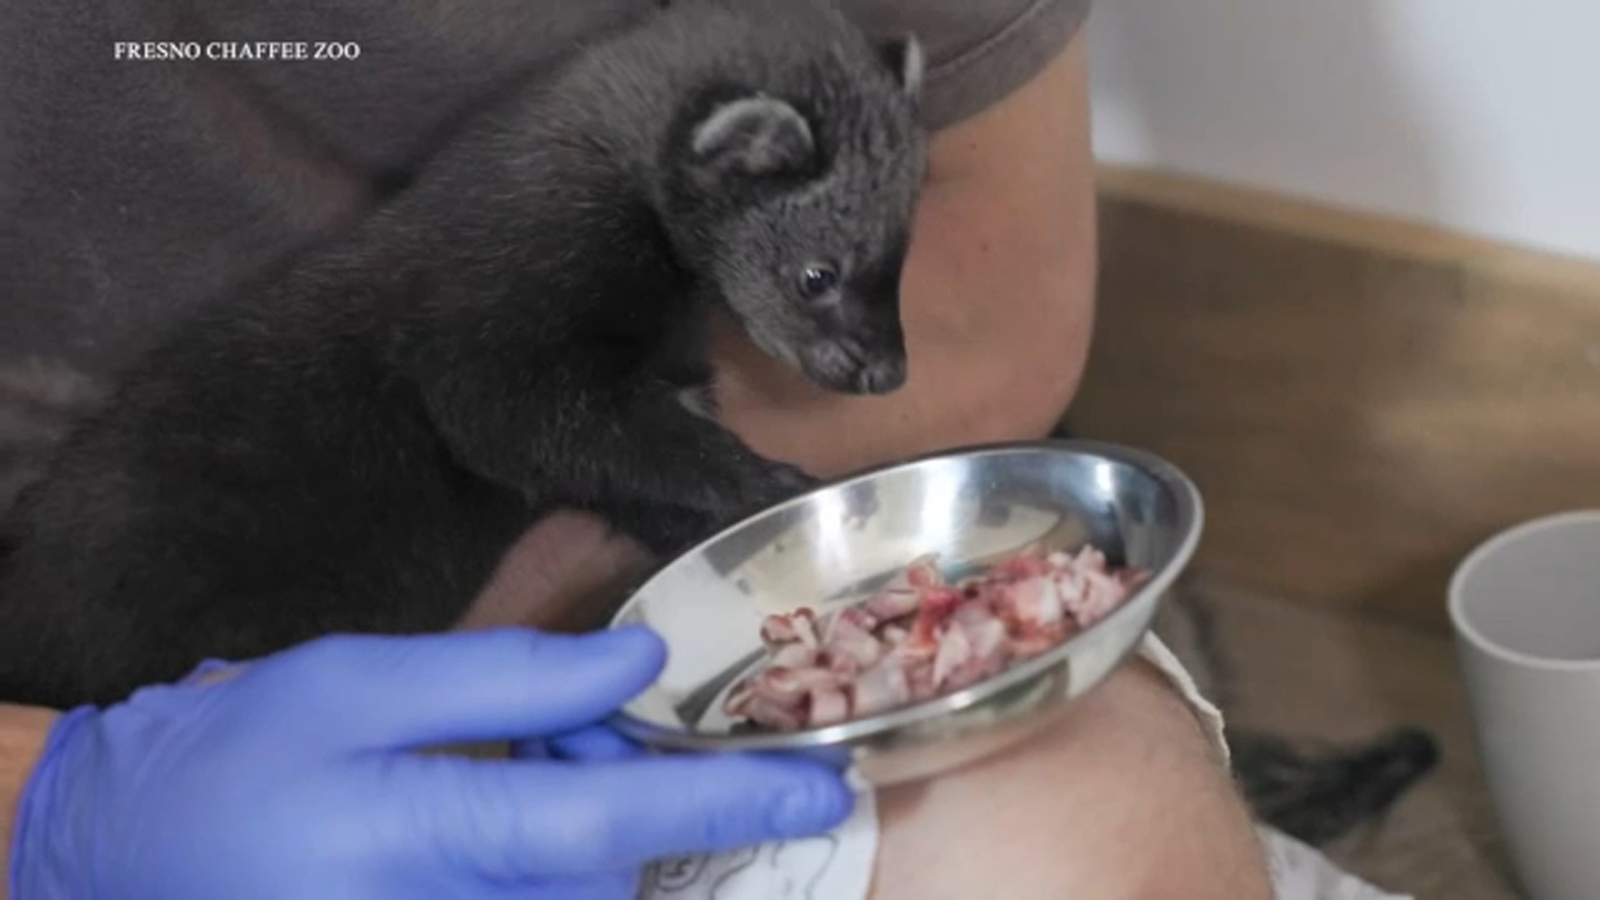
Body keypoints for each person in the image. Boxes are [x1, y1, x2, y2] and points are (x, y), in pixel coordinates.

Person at [0, 1, 1283, 898]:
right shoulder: (537, 230)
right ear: (729, 155)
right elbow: (502, 397)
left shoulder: (693, 163)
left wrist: (620, 630)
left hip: (464, 574)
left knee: (1094, 842)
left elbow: (989, 288)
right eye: (830, 281)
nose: (862, 347)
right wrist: (44, 811)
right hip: (127, 656)